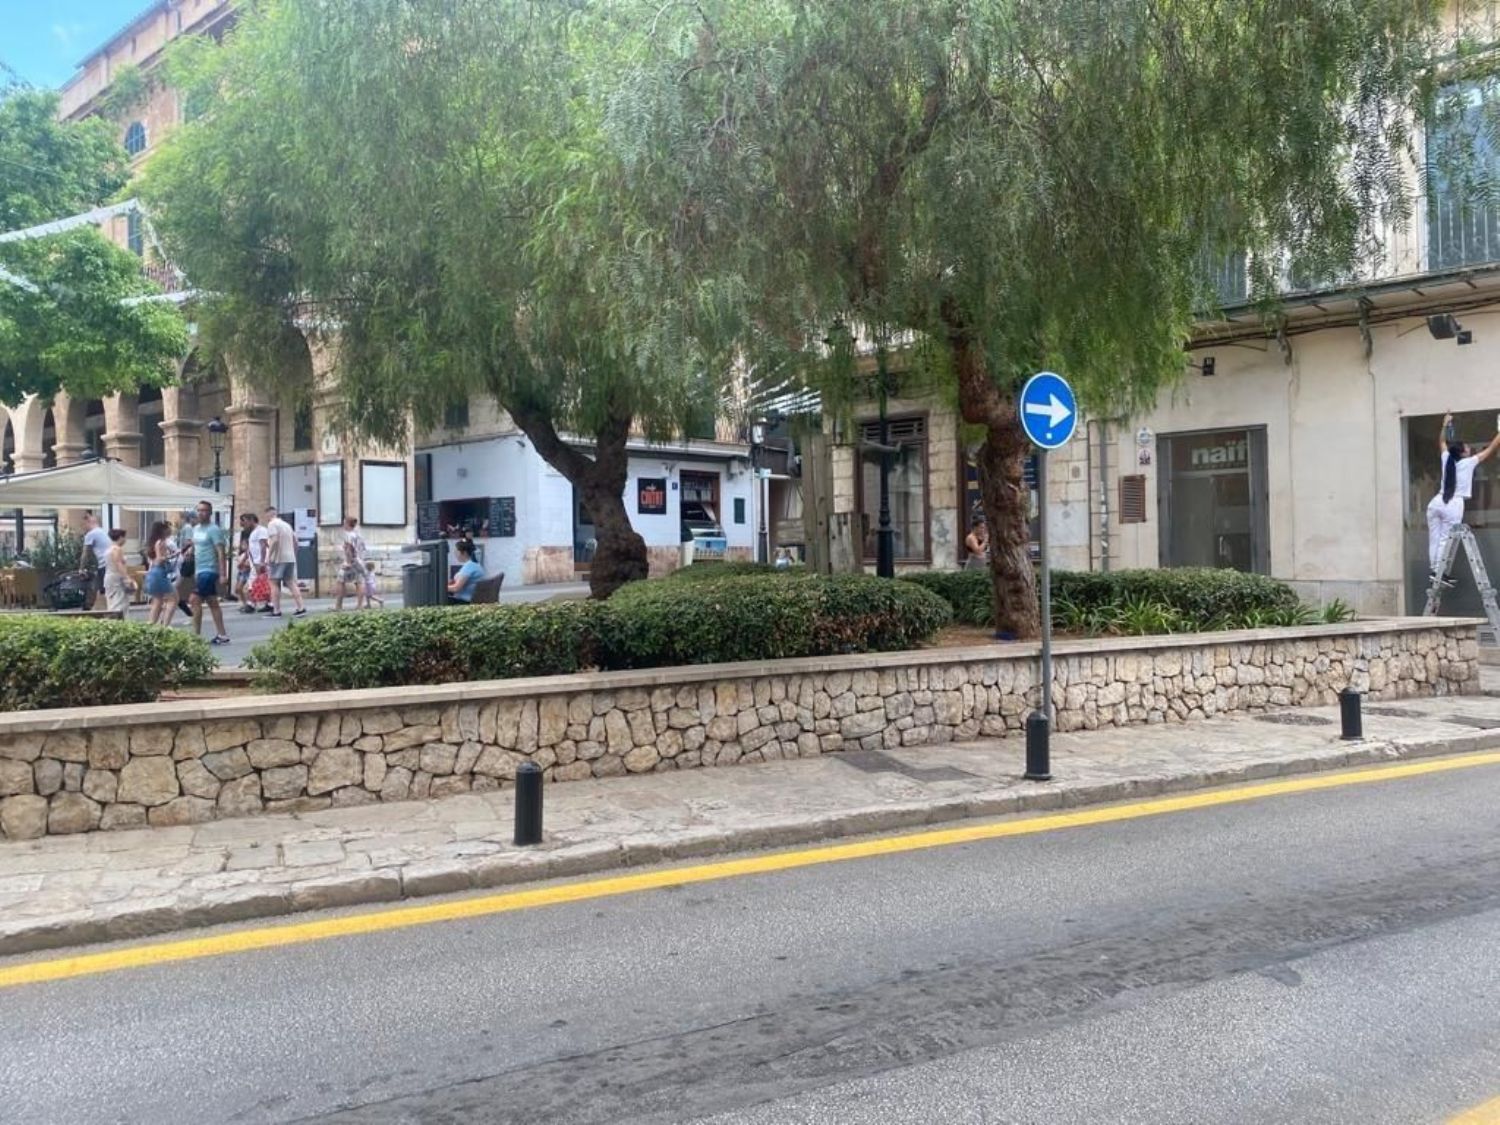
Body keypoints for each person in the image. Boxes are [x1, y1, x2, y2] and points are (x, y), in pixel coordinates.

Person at [1426, 413, 1500, 588]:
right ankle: (1439, 573)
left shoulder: (1447, 459)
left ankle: (1436, 572)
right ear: (1463, 453)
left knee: (1435, 539)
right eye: (1467, 447)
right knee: (1445, 539)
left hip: (1437, 502)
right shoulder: (1469, 463)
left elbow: (1442, 442)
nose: (1469, 448)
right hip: (1453, 504)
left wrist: (1445, 424)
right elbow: (1491, 448)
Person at [188, 501, 231, 645]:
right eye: (199, 510)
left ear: (210, 513)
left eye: (204, 510)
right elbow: (196, 546)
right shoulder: (196, 529)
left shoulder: (214, 530)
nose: (201, 513)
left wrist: (223, 574)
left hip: (209, 570)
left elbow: (221, 552)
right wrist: (190, 551)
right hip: (199, 570)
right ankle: (222, 635)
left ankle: (195, 637)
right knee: (212, 602)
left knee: (194, 599)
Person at [262, 506, 307, 618]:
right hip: (290, 557)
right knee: (291, 582)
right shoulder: (287, 525)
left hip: (278, 557)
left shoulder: (272, 524)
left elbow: (274, 541)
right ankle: (301, 607)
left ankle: (276, 610)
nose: (265, 518)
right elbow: (295, 541)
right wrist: (293, 554)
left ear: (269, 514)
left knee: (274, 583)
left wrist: (269, 556)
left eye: (266, 515)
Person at [143, 520, 177, 626]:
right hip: (159, 572)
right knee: (173, 599)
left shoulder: (154, 542)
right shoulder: (161, 542)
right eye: (167, 528)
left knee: (158, 600)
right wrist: (172, 556)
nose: (170, 530)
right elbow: (159, 559)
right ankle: (165, 625)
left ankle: (151, 624)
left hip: (153, 572)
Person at [334, 516, 367, 611]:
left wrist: (348, 562)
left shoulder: (348, 536)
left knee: (340, 581)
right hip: (359, 561)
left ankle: (338, 606)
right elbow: (363, 548)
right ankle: (360, 605)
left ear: (347, 524)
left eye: (344, 523)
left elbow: (349, 549)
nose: (343, 525)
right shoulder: (358, 535)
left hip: (350, 561)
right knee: (359, 582)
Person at [80, 512, 112, 609]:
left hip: (104, 564)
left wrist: (81, 569)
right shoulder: (101, 531)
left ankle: (102, 611)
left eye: (83, 525)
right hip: (110, 563)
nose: (83, 528)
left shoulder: (91, 534)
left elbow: (85, 554)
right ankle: (101, 609)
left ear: (88, 522)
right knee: (102, 588)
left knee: (101, 590)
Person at [102, 529, 136, 616]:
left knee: (112, 601)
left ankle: (112, 618)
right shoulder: (117, 549)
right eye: (124, 537)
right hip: (116, 577)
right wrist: (127, 578)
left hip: (109, 576)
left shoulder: (108, 549)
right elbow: (118, 563)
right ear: (120, 537)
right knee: (119, 601)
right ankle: (118, 619)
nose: (125, 540)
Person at [174, 509, 198, 618]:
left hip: (185, 557)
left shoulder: (185, 528)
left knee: (189, 580)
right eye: (196, 518)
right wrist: (186, 552)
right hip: (187, 558)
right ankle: (177, 597)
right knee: (184, 580)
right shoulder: (188, 528)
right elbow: (189, 542)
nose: (197, 520)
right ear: (191, 518)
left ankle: (187, 605)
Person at [446, 539, 484, 604]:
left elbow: (456, 588)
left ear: (464, 553)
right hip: (466, 599)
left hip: (463, 601)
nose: (455, 554)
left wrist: (440, 588)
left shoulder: (470, 566)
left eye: (456, 551)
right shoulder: (474, 565)